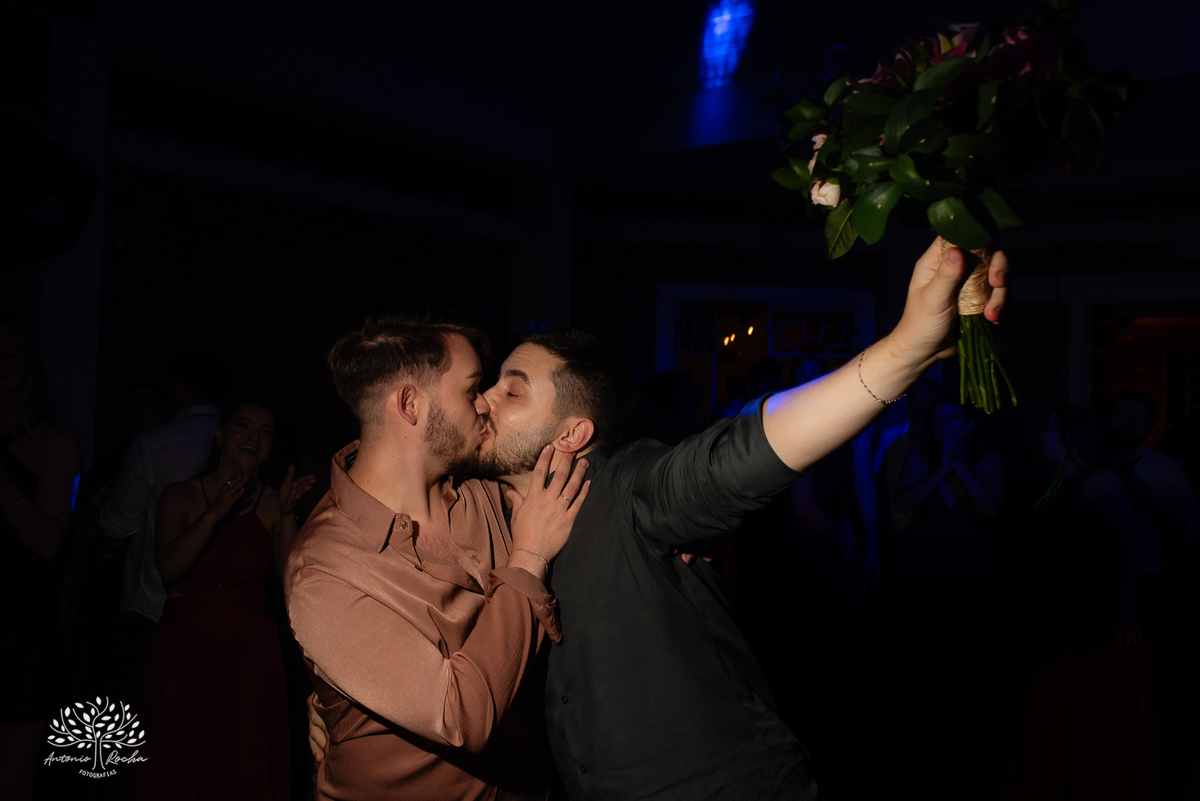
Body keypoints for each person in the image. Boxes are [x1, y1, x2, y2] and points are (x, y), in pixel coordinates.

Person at [284, 312, 589, 801]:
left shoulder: (482, 490)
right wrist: (528, 558)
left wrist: (673, 530)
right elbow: (461, 717)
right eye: (471, 391)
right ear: (410, 404)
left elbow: (594, 469)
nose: (486, 406)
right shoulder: (324, 568)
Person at [131, 401, 313, 800]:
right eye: (244, 426)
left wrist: (286, 516)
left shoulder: (271, 502)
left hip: (249, 650)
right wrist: (214, 513)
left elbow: (291, 584)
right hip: (185, 648)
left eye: (265, 432)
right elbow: (171, 568)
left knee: (242, 765)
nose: (253, 438)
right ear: (220, 435)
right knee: (180, 761)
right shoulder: (179, 495)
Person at [98, 349, 226, 701]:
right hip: (218, 611)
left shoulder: (153, 446)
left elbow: (116, 528)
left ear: (176, 390)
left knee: (141, 717)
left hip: (152, 608)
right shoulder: (242, 444)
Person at [0, 315, 80, 801]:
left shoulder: (53, 441)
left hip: (15, 624)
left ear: (27, 367)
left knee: (12, 780)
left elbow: (50, 542)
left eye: (6, 355)